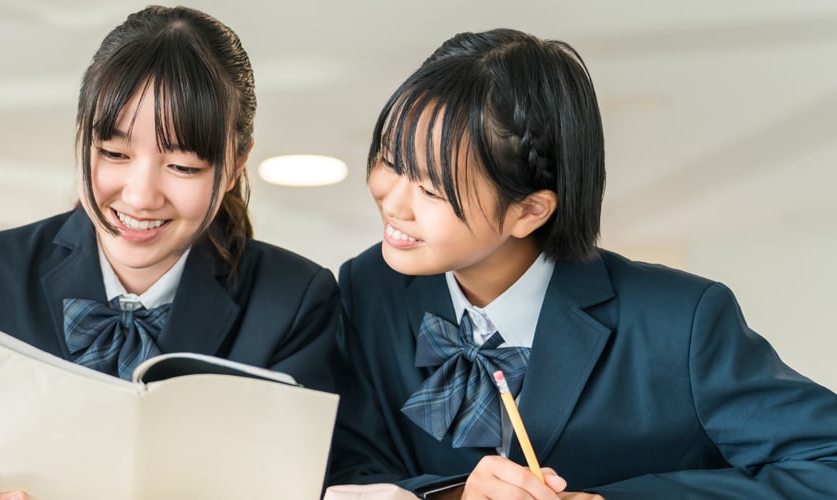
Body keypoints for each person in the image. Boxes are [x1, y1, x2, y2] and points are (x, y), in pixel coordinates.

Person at [328, 28, 837, 499]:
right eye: (390, 161)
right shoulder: (369, 290)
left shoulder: (679, 322)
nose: (392, 201)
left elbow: (827, 462)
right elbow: (344, 466)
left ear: (529, 211)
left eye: (431, 188)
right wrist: (450, 494)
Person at [0, 6, 340, 500]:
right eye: (115, 154)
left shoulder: (295, 302)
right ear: (82, 136)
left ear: (233, 166)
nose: (141, 196)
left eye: (182, 165)